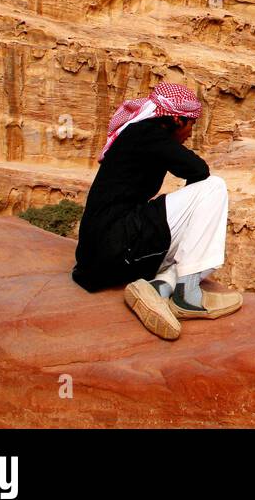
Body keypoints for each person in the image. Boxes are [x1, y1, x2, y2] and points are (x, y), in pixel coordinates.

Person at [72, 82, 243, 340]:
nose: (190, 133)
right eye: (190, 124)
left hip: (100, 258)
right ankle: (187, 296)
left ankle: (161, 287)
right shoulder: (148, 134)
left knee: (190, 244)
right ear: (176, 119)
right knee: (214, 187)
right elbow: (199, 171)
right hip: (116, 245)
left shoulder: (139, 134)